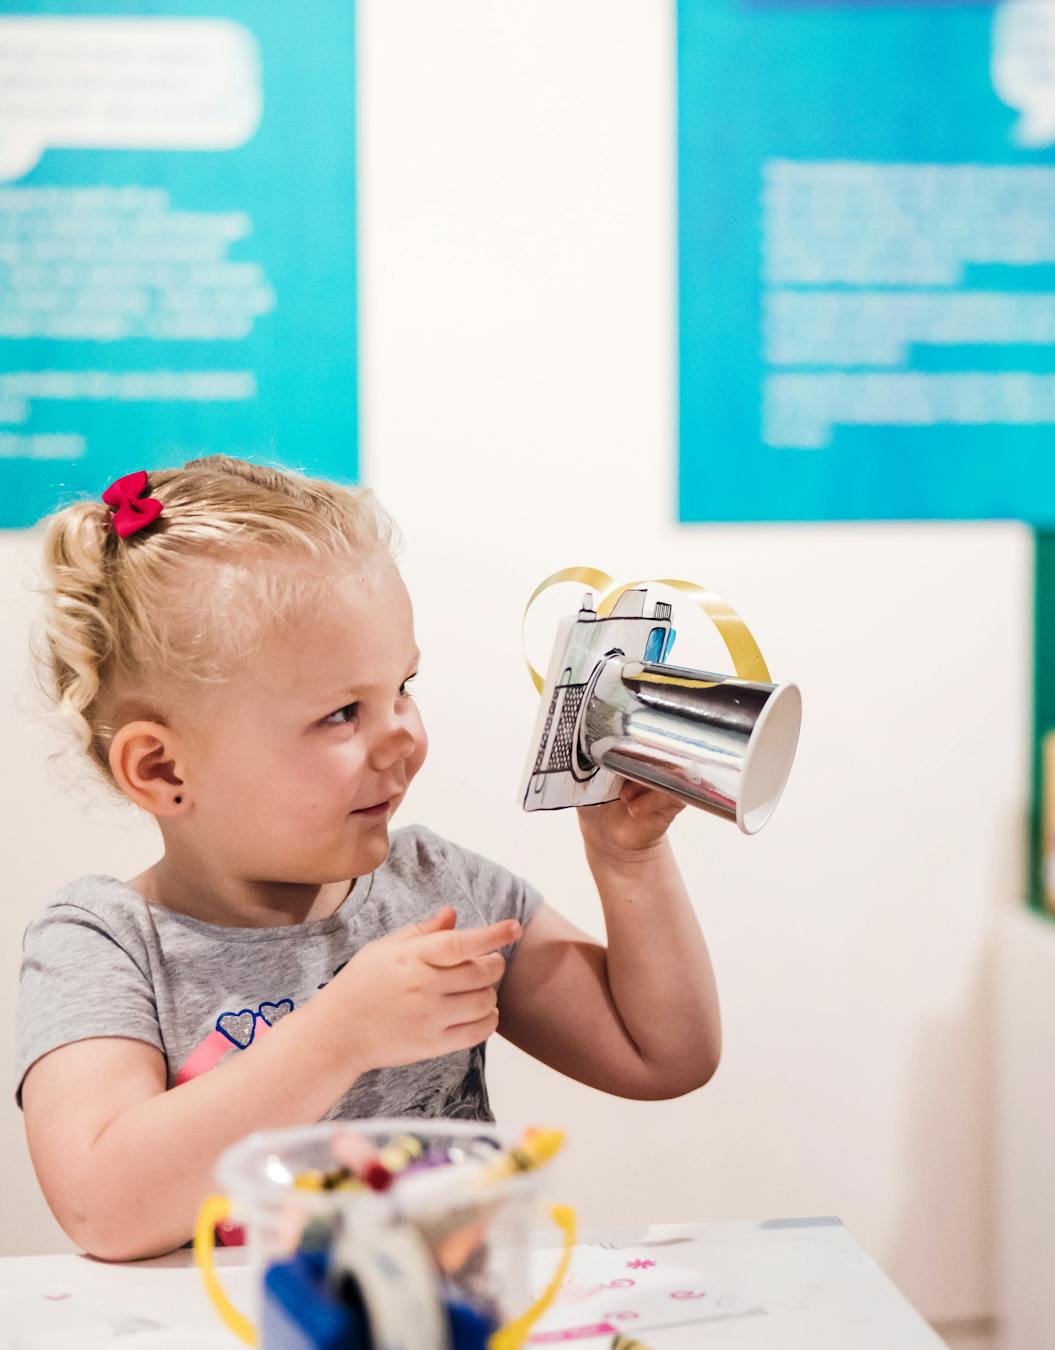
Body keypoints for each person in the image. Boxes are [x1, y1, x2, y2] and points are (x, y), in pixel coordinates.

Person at [16, 457, 721, 1260]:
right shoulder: (102, 943)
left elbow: (662, 1056)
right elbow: (102, 1209)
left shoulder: (439, 890)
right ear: (163, 770)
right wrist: (338, 1034)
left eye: (404, 688)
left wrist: (628, 863)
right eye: (342, 712)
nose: (404, 737)